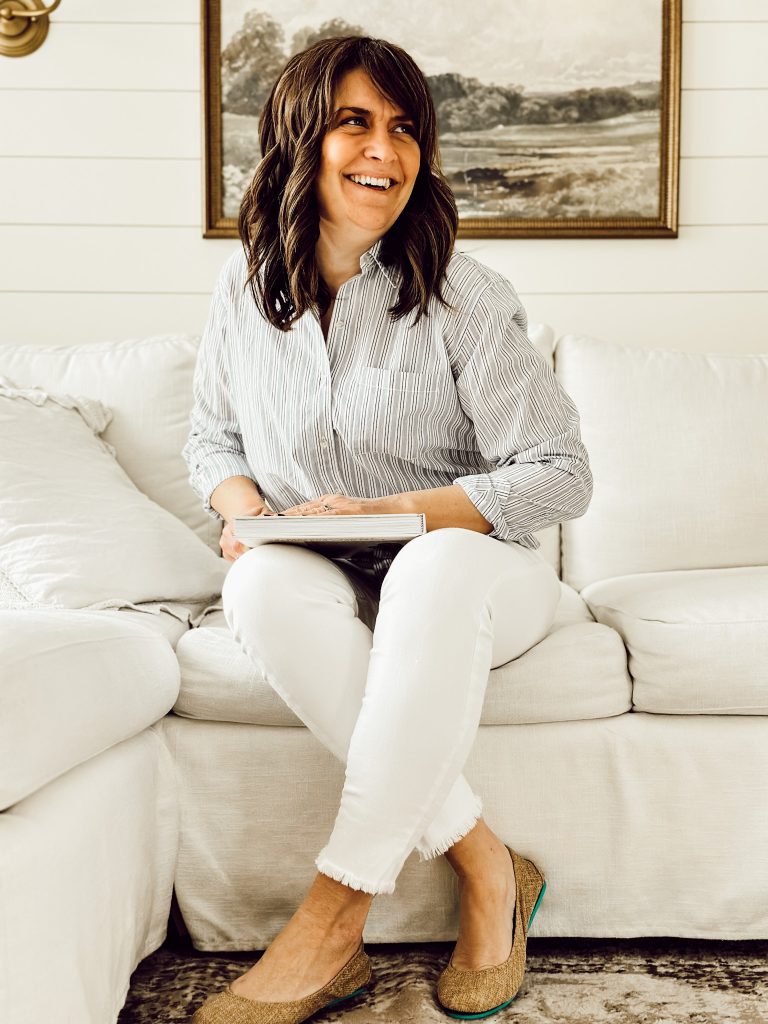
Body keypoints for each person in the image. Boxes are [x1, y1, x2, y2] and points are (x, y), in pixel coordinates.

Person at [183, 34, 592, 1024]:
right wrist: (248, 519)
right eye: (356, 121)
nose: (386, 150)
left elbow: (560, 476)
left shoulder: (465, 295)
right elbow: (211, 442)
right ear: (298, 137)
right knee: (257, 586)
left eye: (406, 128)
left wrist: (393, 514)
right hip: (317, 567)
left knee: (438, 563)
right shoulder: (244, 292)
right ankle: (490, 866)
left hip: (474, 573)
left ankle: (335, 914)